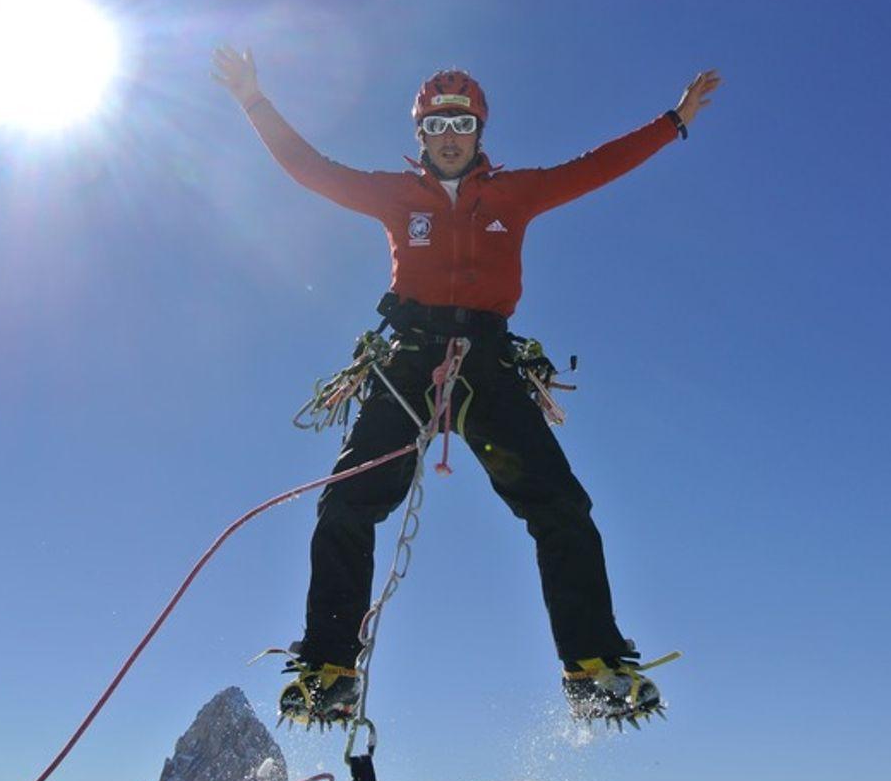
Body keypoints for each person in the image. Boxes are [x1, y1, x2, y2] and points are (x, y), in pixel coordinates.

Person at [213, 47, 720, 726]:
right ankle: (326, 670)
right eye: (435, 126)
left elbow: (595, 168)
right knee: (346, 504)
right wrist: (252, 97)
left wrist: (674, 120)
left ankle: (592, 667)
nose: (448, 138)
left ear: (480, 133)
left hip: (487, 365)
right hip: (407, 364)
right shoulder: (393, 196)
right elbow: (312, 170)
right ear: (419, 135)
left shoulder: (516, 193)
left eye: (461, 125)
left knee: (560, 506)